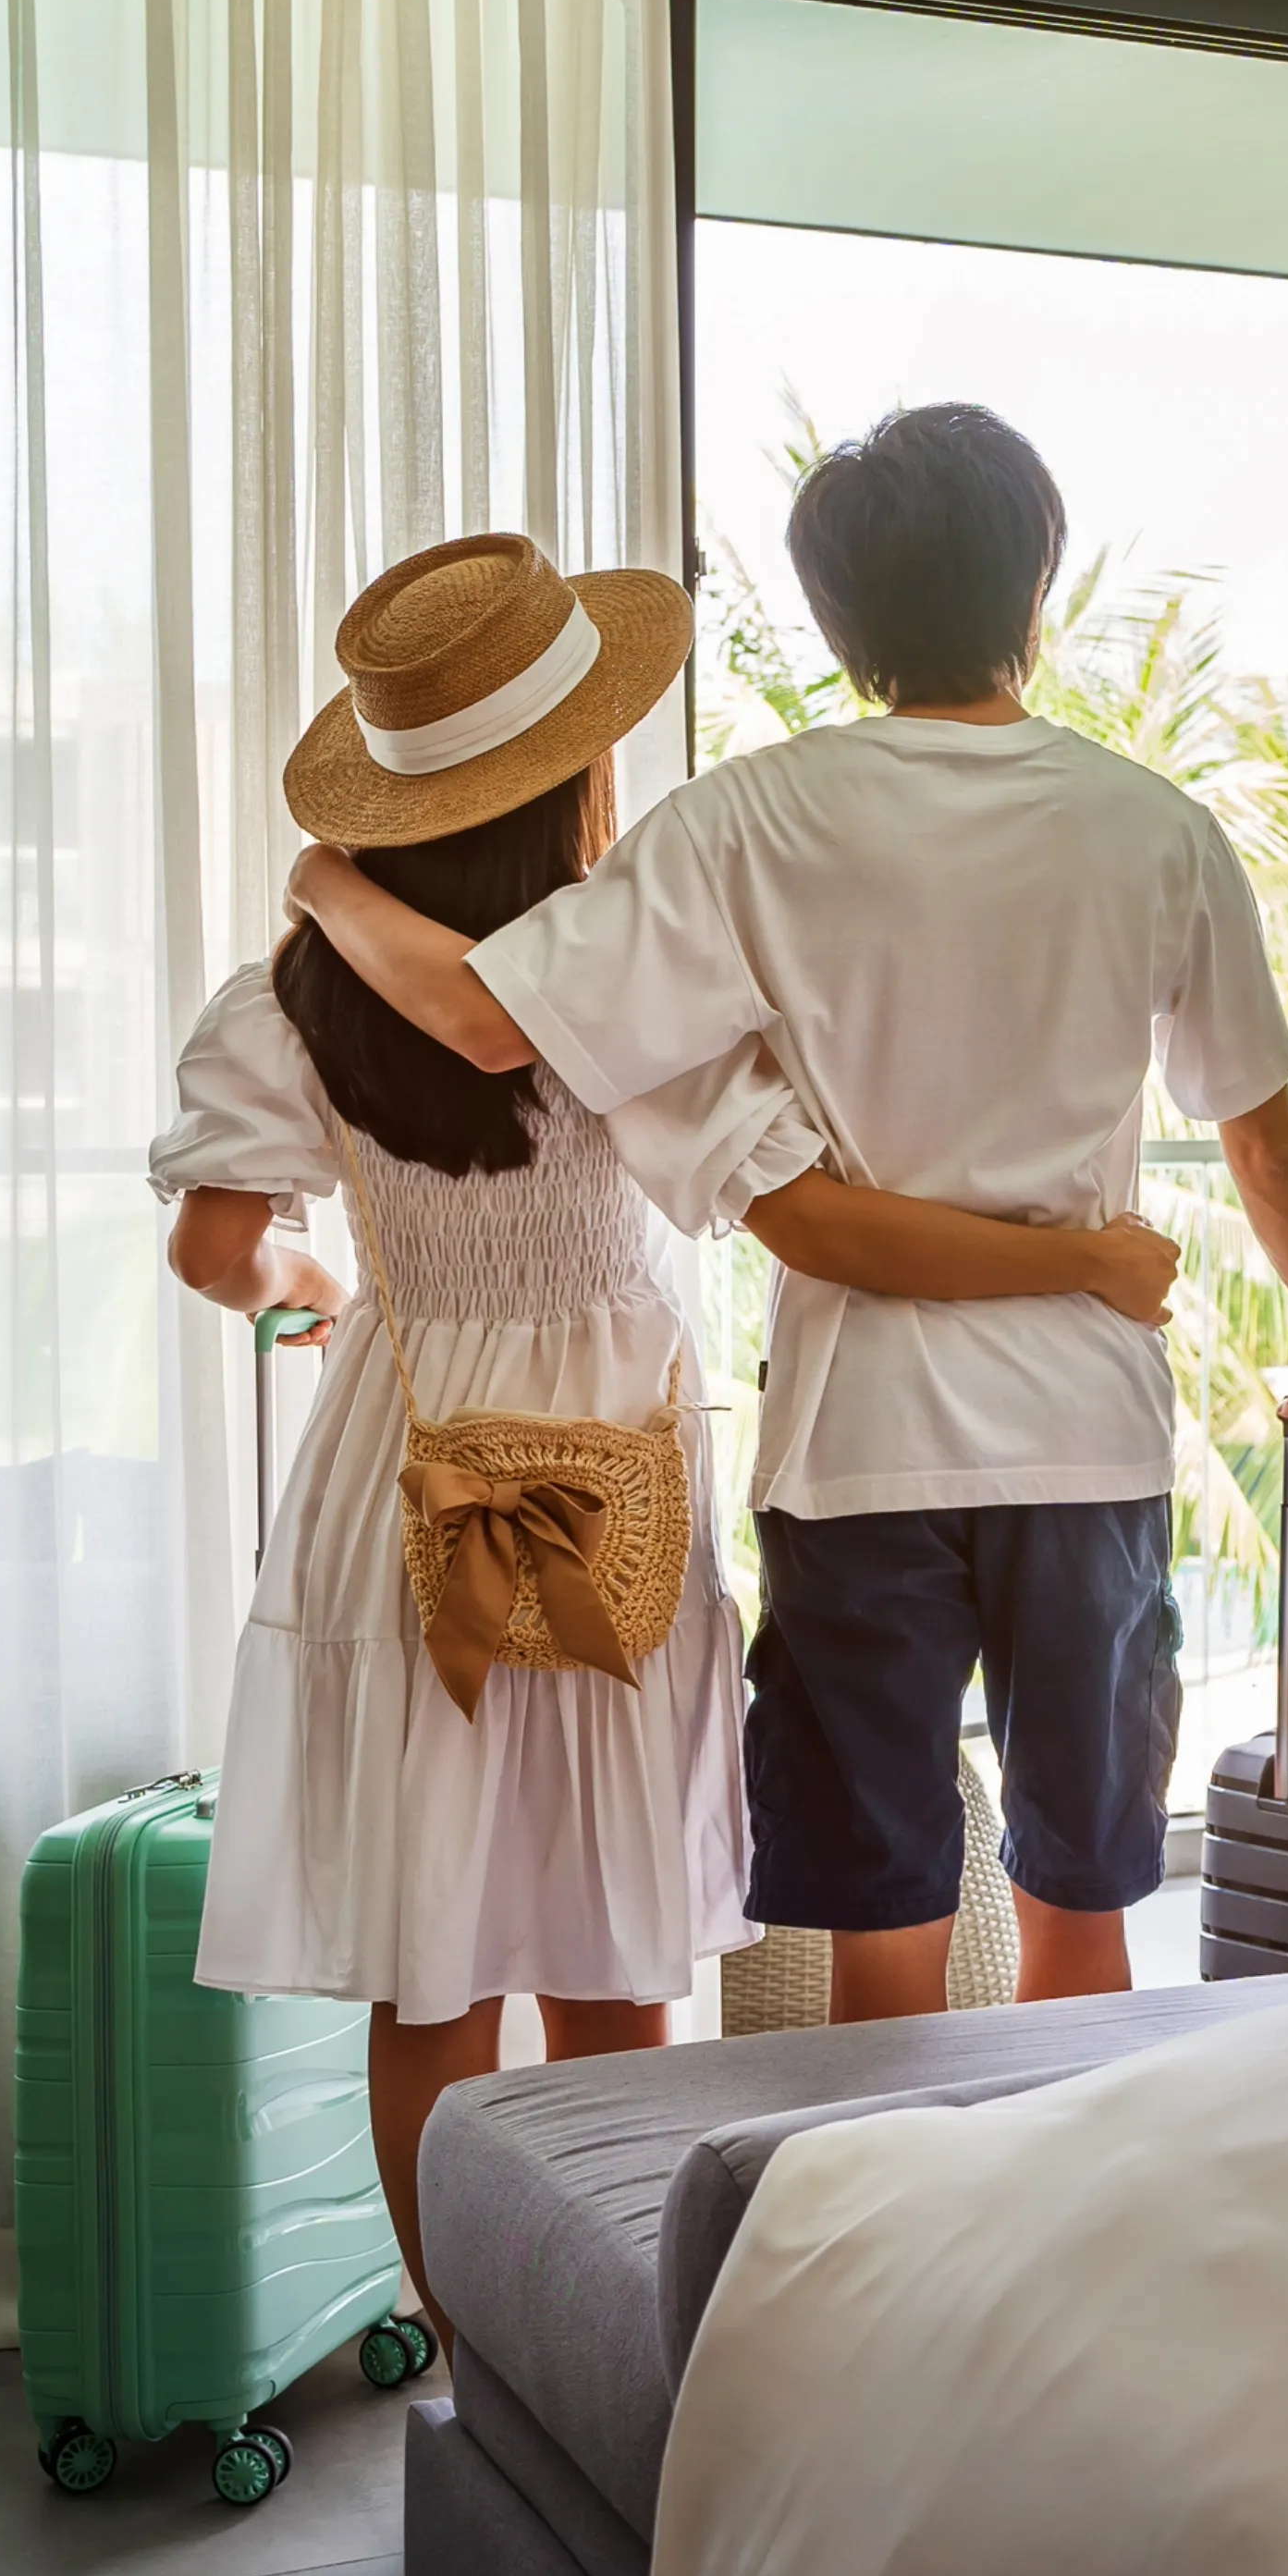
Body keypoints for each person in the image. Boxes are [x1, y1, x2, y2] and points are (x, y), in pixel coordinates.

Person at [154, 529, 1177, 2342]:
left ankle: (471, 2352)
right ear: (569, 780)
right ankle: (609, 2341)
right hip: (612, 1484)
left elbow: (218, 1244)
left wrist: (328, 1280)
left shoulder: (290, 992)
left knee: (432, 1968)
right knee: (609, 1951)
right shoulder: (637, 1001)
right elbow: (767, 1194)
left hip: (407, 1491)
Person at [288, 406, 1288, 2025]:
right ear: (1038, 576)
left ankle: (901, 2264)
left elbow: (482, 1018)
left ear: (837, 619)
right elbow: (1268, 1135)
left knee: (888, 1936)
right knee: (1079, 1911)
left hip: (857, 1451)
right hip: (1082, 1439)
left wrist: (322, 883)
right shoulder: (1156, 829)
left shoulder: (750, 819)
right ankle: (1063, 2261)